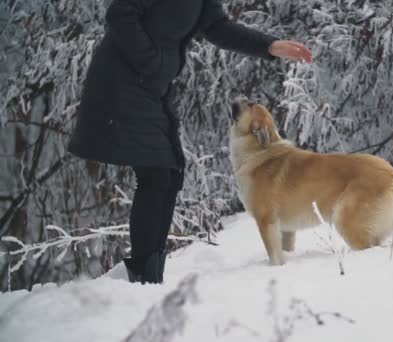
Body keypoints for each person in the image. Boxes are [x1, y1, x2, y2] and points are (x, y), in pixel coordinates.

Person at [67, 0, 312, 284]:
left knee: (170, 173)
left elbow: (217, 27)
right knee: (157, 173)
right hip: (122, 81)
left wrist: (269, 46)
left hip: (151, 86)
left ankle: (148, 274)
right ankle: (144, 277)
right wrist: (153, 63)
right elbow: (121, 14)